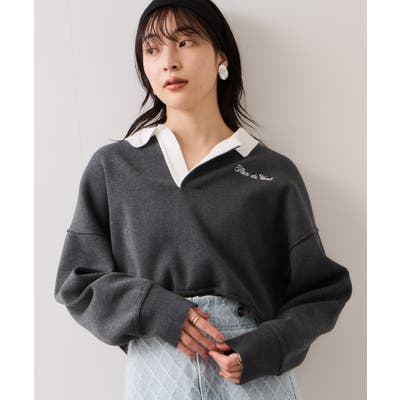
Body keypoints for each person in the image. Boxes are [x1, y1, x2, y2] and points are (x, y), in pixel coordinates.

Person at [54, 0, 353, 399]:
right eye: (152, 49)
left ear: (221, 57)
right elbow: (77, 281)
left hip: (250, 375)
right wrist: (155, 309)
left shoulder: (272, 173)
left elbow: (322, 290)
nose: (168, 62)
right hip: (158, 370)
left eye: (185, 42)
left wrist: (266, 346)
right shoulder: (115, 168)